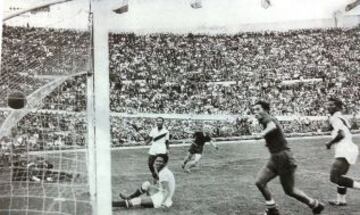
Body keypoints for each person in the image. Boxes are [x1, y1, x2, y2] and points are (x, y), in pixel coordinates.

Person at [252, 101, 324, 215]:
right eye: (254, 110)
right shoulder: (266, 120)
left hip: (284, 158)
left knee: (289, 190)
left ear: (265, 110)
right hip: (275, 158)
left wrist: (261, 134)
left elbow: (272, 126)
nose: (255, 113)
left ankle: (315, 204)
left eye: (258, 109)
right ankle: (272, 209)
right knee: (259, 182)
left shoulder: (268, 119)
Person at [325, 98, 360, 206]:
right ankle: (341, 200)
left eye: (331, 105)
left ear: (337, 107)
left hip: (344, 148)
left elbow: (341, 134)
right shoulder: (341, 116)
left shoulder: (335, 117)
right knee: (340, 176)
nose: (328, 107)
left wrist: (330, 143)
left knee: (334, 177)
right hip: (349, 147)